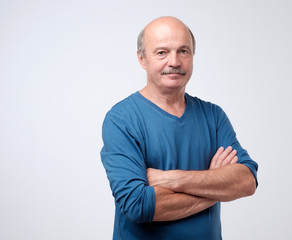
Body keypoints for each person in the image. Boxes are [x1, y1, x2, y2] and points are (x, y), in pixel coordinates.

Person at [100, 16, 258, 240]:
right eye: (162, 52)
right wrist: (215, 185)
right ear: (142, 58)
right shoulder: (121, 119)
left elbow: (246, 181)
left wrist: (173, 179)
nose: (174, 61)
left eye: (183, 51)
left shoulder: (213, 116)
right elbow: (137, 205)